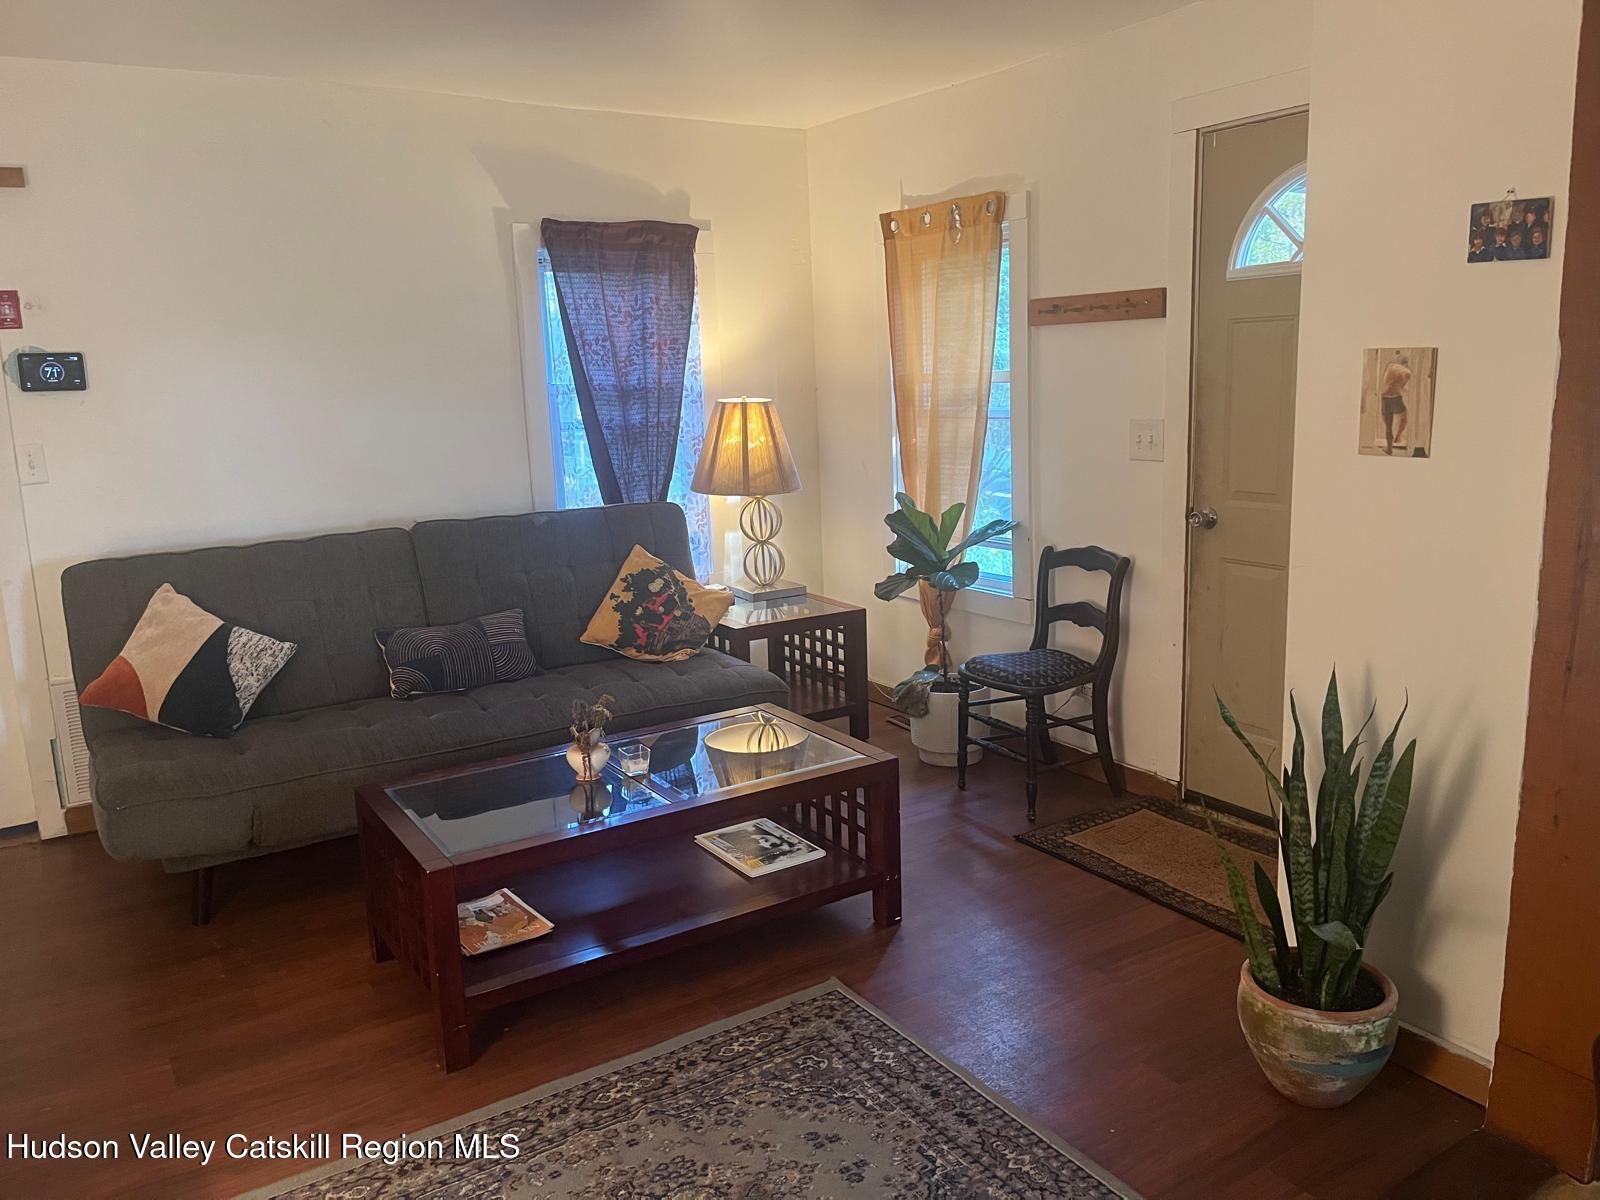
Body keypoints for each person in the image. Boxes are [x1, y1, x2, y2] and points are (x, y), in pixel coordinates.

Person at [1379, 357, 1411, 455]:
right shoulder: (1406, 371)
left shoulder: (1390, 366)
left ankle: (1389, 449)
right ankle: (1398, 436)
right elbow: (1401, 385)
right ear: (1405, 364)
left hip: (1385, 398)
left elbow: (1387, 383)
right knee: (1404, 418)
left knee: (1388, 427)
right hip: (1396, 399)